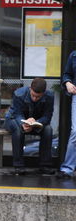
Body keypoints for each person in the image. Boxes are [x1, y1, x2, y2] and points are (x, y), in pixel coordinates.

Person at [4, 78, 54, 175]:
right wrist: (24, 123)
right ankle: (18, 166)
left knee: (48, 129)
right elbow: (17, 114)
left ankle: (45, 165)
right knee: (18, 130)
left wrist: (36, 122)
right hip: (14, 120)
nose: (35, 98)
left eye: (38, 97)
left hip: (35, 123)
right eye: (33, 95)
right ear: (30, 88)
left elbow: (47, 117)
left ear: (44, 93)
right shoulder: (19, 94)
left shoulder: (49, 96)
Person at [57, 51, 76, 179]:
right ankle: (67, 168)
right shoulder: (74, 55)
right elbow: (66, 74)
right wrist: (68, 83)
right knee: (75, 131)